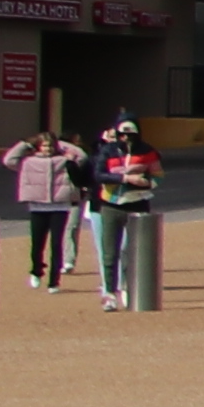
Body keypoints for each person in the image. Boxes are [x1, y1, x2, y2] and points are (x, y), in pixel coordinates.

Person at [85, 122, 158, 306]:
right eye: (122, 135)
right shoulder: (107, 151)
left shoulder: (148, 151)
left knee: (131, 250)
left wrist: (147, 183)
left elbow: (158, 175)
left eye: (130, 135)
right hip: (110, 205)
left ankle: (129, 288)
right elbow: (99, 174)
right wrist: (124, 178)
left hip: (138, 204)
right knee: (109, 252)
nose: (126, 139)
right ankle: (109, 293)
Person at [6, 126, 83, 292]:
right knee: (37, 243)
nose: (48, 149)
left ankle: (54, 281)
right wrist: (25, 143)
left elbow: (82, 157)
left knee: (57, 244)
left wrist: (61, 144)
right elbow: (9, 160)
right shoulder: (28, 162)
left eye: (50, 146)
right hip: (38, 206)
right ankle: (36, 271)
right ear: (38, 147)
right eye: (44, 146)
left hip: (59, 205)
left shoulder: (63, 160)